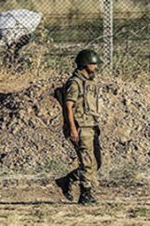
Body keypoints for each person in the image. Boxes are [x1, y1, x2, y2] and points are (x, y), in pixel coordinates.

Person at [55, 49, 103, 205]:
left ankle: (67, 180)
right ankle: (85, 194)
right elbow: (69, 107)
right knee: (87, 162)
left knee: (97, 163)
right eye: (93, 63)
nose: (95, 66)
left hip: (91, 126)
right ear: (84, 64)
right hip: (81, 127)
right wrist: (73, 128)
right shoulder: (74, 83)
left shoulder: (89, 81)